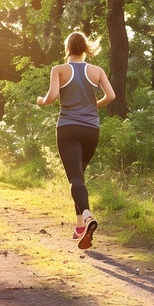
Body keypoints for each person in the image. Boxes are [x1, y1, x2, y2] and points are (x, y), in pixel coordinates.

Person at [37, 31, 116, 249]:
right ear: (85, 48)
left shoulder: (59, 70)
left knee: (75, 178)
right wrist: (92, 107)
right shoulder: (97, 71)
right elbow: (111, 96)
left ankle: (88, 217)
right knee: (78, 176)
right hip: (91, 130)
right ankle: (80, 227)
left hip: (68, 128)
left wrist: (41, 101)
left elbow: (52, 97)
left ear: (67, 48)